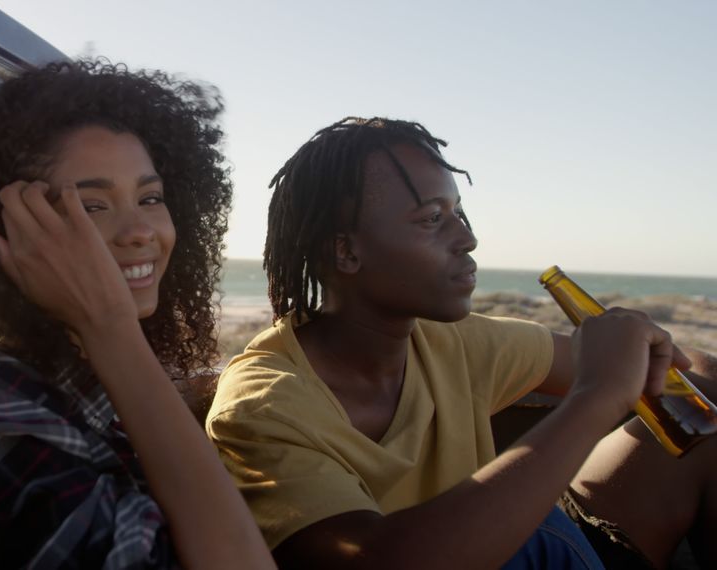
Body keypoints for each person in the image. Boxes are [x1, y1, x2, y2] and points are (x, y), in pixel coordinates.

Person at [205, 117, 717, 569]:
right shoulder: (264, 407)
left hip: (553, 540)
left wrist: (647, 359)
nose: (467, 239)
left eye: (458, 213)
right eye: (432, 218)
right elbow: (374, 560)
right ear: (346, 251)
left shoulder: (456, 342)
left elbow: (640, 367)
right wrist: (595, 398)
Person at [0, 60, 273, 569]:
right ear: (10, 233)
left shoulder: (108, 388)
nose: (140, 230)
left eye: (151, 197)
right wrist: (112, 328)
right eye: (93, 206)